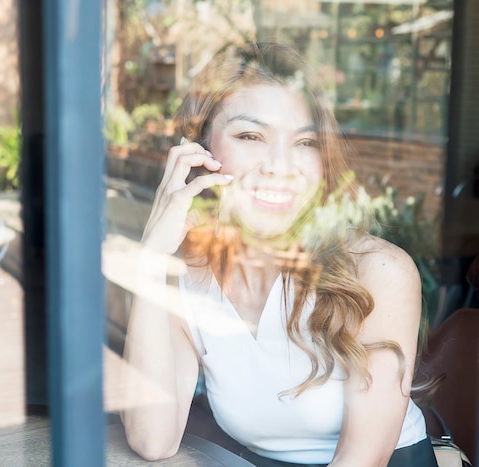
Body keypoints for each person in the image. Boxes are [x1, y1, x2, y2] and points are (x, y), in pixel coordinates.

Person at [120, 41, 438, 467]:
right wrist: (149, 261)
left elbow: (362, 461)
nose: (279, 165)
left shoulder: (378, 271)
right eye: (250, 135)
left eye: (305, 142)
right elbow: (152, 440)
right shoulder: (188, 274)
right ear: (201, 150)